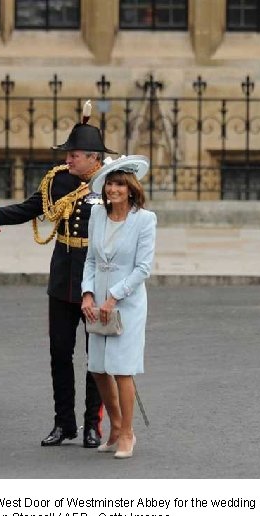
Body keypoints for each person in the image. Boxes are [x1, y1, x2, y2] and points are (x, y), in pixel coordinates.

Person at [0, 102, 114, 448]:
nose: (68, 160)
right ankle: (64, 423)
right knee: (59, 352)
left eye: (75, 155)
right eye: (68, 154)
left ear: (94, 157)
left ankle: (92, 425)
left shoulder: (111, 184)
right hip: (63, 276)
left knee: (96, 356)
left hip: (97, 278)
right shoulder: (58, 181)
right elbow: (27, 210)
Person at [80, 155, 156, 459]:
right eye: (110, 183)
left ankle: (127, 433)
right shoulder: (97, 216)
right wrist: (88, 294)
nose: (113, 189)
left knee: (122, 370)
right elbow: (90, 261)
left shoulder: (144, 220)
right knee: (98, 369)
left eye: (119, 185)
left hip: (128, 303)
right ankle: (114, 426)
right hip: (97, 302)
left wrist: (114, 296)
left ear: (130, 188)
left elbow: (143, 268)